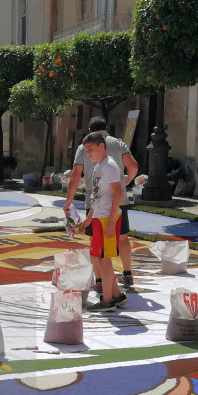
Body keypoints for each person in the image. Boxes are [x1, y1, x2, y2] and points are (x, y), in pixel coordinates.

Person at [63, 115, 139, 292]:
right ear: (107, 128)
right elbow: (134, 167)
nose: (90, 153)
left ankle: (100, 280)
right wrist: (126, 181)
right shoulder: (118, 143)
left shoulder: (85, 145)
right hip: (118, 200)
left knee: (96, 241)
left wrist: (68, 201)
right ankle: (127, 273)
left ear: (90, 131)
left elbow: (75, 176)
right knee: (122, 236)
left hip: (95, 200)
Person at [83, 132, 127, 311]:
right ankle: (117, 296)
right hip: (98, 217)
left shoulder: (109, 166)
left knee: (104, 259)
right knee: (98, 257)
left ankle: (107, 301)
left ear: (102, 146)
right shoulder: (98, 166)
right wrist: (88, 219)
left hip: (107, 219)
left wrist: (110, 222)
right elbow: (97, 197)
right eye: (86, 151)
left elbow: (118, 193)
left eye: (91, 149)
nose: (88, 154)